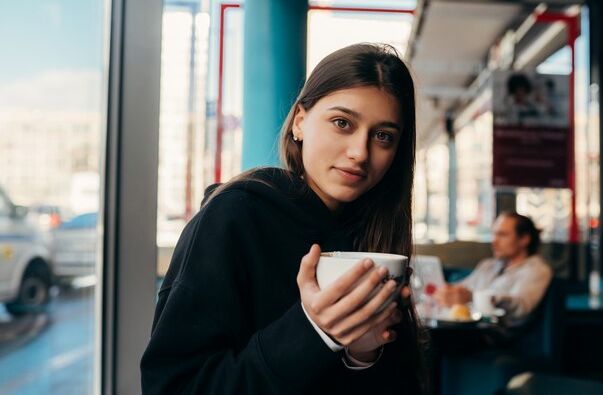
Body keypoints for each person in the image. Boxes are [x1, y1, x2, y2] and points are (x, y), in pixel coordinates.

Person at [141, 43, 428, 395]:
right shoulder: (234, 218)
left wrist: (363, 354)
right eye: (342, 123)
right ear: (300, 122)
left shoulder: (376, 238)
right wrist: (315, 331)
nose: (359, 152)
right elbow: (173, 387)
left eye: (383, 136)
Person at [434, 211, 553, 327]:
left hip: (497, 332)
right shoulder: (489, 265)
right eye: (494, 234)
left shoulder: (537, 269)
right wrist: (448, 291)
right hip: (470, 326)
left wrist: (473, 297)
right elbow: (463, 288)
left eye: (502, 235)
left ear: (524, 239)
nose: (494, 241)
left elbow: (520, 306)